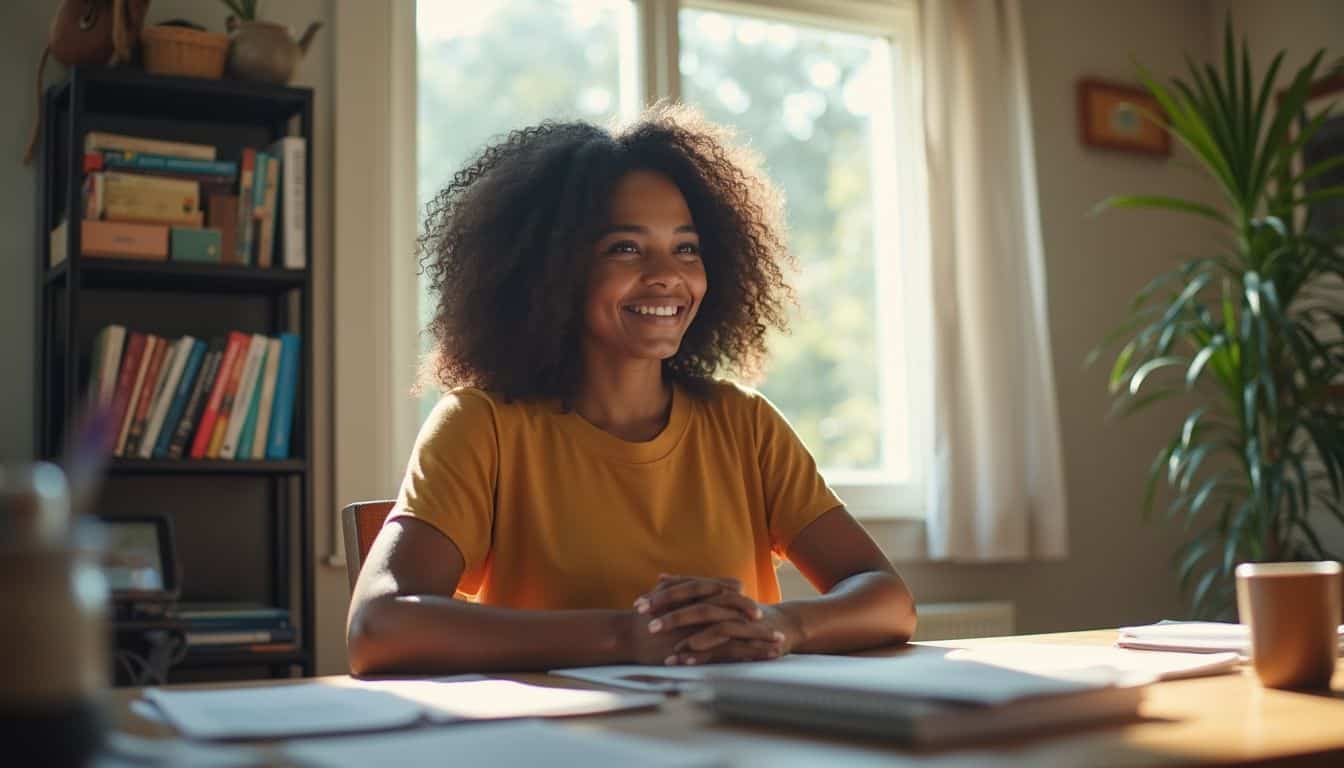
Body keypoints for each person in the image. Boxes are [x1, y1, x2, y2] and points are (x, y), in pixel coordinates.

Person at [346, 104, 916, 676]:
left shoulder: (745, 423)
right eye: (625, 247)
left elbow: (888, 598)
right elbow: (378, 628)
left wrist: (782, 627)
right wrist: (628, 634)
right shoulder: (482, 424)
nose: (667, 273)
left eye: (686, 247)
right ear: (553, 267)